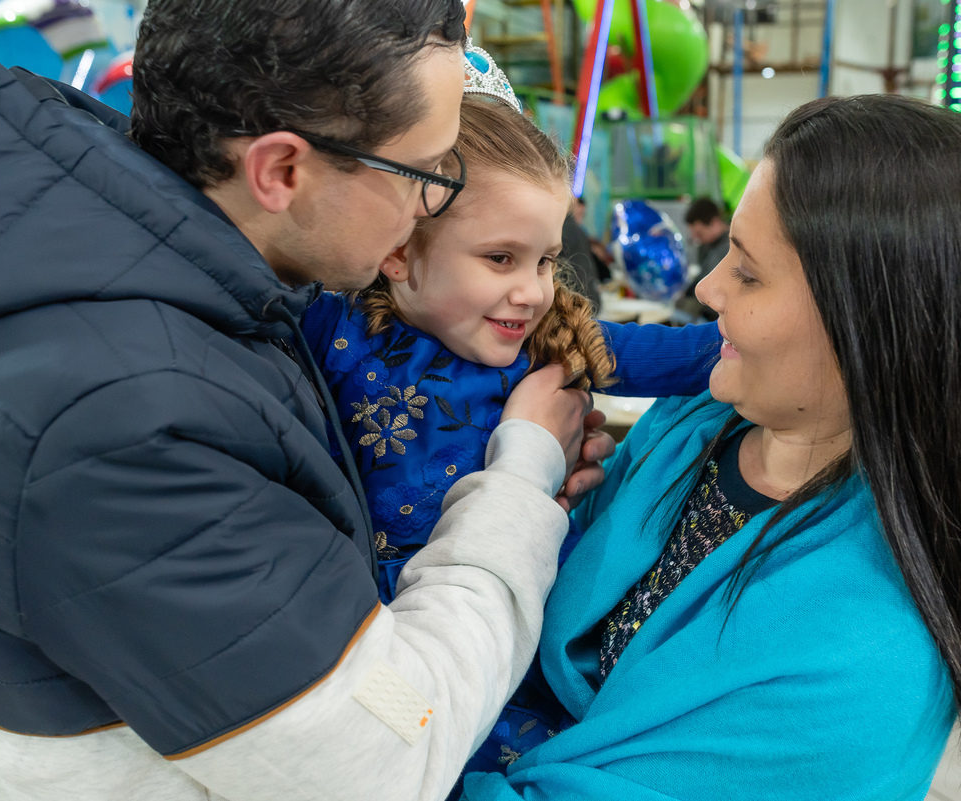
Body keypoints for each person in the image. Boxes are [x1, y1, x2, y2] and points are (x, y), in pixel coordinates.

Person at [0, 2, 611, 800]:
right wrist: (520, 477)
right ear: (282, 170)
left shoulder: (115, 264)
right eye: (427, 175)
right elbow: (381, 757)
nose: (430, 208)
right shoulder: (122, 424)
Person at [462, 95, 961, 800]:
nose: (707, 288)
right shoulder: (697, 423)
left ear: (867, 324)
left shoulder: (855, 657)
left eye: (746, 272)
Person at [301, 67, 718, 792]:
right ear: (399, 251)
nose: (532, 290)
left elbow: (687, 354)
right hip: (389, 630)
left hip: (525, 617)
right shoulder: (330, 327)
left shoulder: (543, 345)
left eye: (547, 260)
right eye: (501, 258)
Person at [679, 197, 729, 321]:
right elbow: (702, 276)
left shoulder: (729, 249)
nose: (696, 239)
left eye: (699, 233)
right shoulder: (710, 246)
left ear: (715, 222)